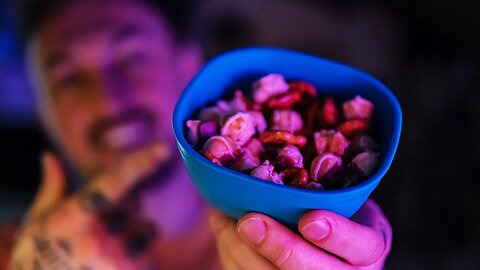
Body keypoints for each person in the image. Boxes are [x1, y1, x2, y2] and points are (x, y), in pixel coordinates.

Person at [5, 0, 392, 269]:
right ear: (40, 105)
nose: (108, 98)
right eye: (67, 78)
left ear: (190, 63)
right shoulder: (8, 254)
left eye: (131, 58)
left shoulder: (302, 249)